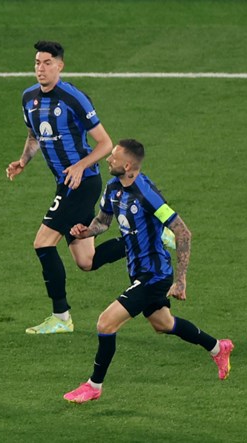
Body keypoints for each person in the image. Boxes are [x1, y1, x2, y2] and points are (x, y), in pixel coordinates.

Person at [63, 139, 234, 403]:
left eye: (114, 158)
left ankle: (93, 386)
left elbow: (183, 232)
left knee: (105, 323)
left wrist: (181, 280)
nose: (108, 160)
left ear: (128, 165)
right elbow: (103, 222)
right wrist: (86, 231)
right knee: (163, 324)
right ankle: (217, 347)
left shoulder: (148, 195)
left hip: (154, 275)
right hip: (137, 271)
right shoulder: (112, 188)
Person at [6, 40, 126, 334]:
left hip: (82, 183)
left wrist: (81, 165)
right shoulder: (28, 98)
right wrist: (23, 160)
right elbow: (34, 136)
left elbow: (105, 143)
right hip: (66, 183)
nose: (41, 69)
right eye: (37, 63)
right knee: (87, 260)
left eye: (47, 63)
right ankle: (146, 236)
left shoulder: (73, 98)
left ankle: (61, 317)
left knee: (43, 243)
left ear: (60, 65)